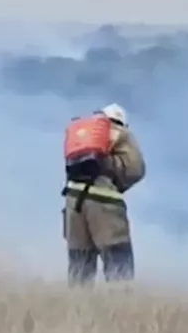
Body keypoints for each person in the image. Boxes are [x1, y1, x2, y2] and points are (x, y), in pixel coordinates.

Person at [61, 103, 146, 286]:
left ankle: (75, 310)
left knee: (80, 265)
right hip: (104, 203)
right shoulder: (121, 133)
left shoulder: (82, 134)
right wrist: (117, 180)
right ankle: (121, 309)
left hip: (73, 202)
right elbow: (136, 169)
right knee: (118, 261)